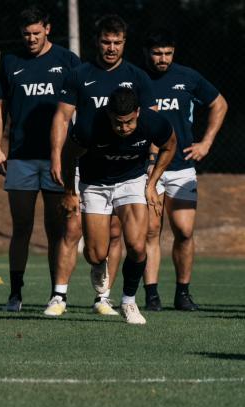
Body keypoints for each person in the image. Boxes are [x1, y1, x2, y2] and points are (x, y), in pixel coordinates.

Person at [50, 14, 155, 316]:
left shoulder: (138, 77)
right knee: (92, 246)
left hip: (130, 169)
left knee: (130, 239)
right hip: (89, 166)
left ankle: (122, 300)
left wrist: (151, 173)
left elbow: (152, 124)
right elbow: (61, 117)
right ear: (97, 42)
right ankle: (94, 269)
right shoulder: (79, 74)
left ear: (125, 43)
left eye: (117, 42)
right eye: (106, 42)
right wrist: (58, 157)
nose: (111, 48)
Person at [0, 6, 80, 312]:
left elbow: (82, 105)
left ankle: (58, 295)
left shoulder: (67, 60)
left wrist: (78, 149)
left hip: (59, 159)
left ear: (48, 29)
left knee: (57, 228)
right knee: (22, 226)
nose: (31, 39)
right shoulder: (11, 62)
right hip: (21, 158)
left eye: (36, 33)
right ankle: (15, 294)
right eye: (26, 34)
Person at [63, 87, 176, 325]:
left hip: (131, 181)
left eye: (129, 122)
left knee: (136, 245)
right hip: (95, 184)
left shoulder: (153, 122)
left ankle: (128, 301)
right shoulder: (88, 125)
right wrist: (69, 193)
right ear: (108, 114)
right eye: (117, 123)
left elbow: (170, 146)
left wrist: (151, 184)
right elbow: (68, 155)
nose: (123, 128)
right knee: (95, 254)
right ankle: (97, 264)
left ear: (138, 112)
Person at [141, 29, 228, 311]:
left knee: (185, 231)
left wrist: (206, 143)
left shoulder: (188, 77)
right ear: (146, 53)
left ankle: (183, 293)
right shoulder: (135, 77)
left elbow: (219, 104)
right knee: (151, 231)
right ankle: (151, 294)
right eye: (157, 53)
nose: (162, 59)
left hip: (181, 168)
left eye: (167, 53)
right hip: (146, 169)